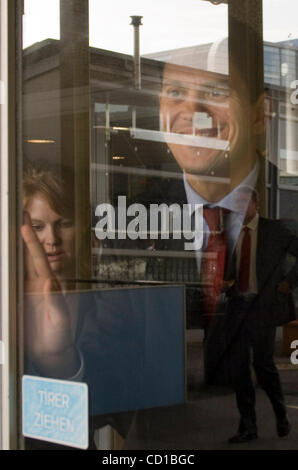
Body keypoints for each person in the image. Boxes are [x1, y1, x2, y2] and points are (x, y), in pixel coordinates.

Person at [227, 187, 298, 443]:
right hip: (238, 306)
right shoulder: (232, 231)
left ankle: (281, 414)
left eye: (243, 202)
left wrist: (289, 282)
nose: (239, 208)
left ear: (256, 203)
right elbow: (231, 264)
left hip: (263, 307)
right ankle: (248, 426)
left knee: (263, 365)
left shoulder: (274, 230)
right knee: (238, 368)